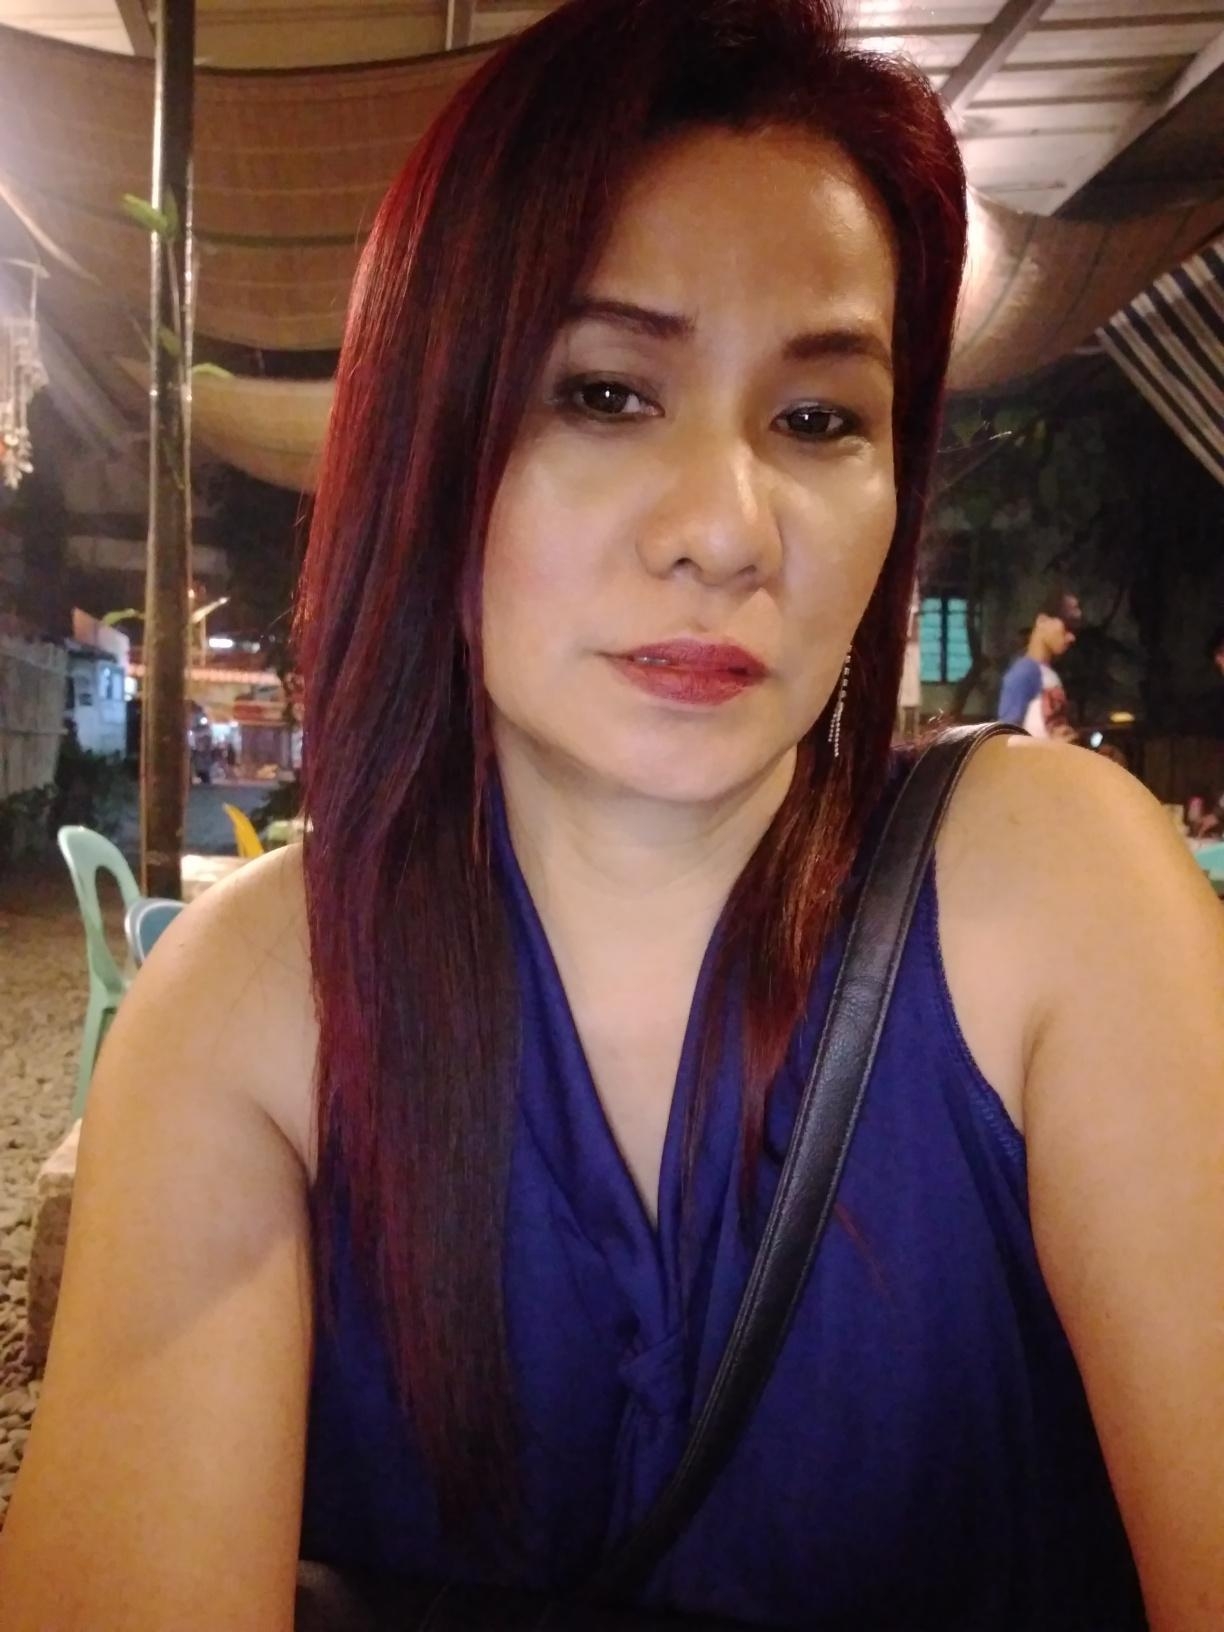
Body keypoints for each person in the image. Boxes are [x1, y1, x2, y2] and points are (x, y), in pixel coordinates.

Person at [2, 3, 1222, 1629]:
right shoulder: (254, 1008)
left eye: (817, 418)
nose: (725, 531)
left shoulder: (1052, 891)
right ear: (430, 438)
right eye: (602, 391)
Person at [996, 589, 1082, 739]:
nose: (1071, 637)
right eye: (1067, 627)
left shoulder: (1049, 674)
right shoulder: (1024, 672)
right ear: (1042, 621)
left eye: (1075, 631)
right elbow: (1006, 739)